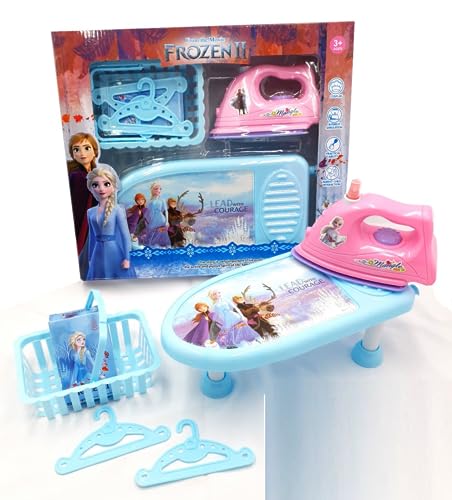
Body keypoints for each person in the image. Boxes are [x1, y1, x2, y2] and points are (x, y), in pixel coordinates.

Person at [86, 165, 136, 279]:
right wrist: (90, 258)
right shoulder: (90, 212)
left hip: (113, 252)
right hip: (97, 253)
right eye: (95, 185)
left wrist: (127, 258)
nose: (101, 189)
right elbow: (92, 237)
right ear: (91, 188)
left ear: (113, 187)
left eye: (106, 184)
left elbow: (125, 236)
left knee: (116, 279)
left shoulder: (117, 210)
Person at [67, 133, 99, 255]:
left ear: (94, 152)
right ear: (73, 154)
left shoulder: (93, 173)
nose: (82, 153)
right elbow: (79, 211)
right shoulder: (78, 176)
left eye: (86, 148)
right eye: (76, 149)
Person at [146, 182, 171, 247]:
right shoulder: (150, 201)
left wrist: (167, 221)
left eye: (160, 189)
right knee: (152, 234)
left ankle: (162, 247)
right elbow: (148, 212)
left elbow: (166, 211)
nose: (158, 190)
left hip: (161, 219)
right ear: (152, 190)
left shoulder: (162, 200)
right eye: (156, 189)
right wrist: (148, 220)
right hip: (153, 219)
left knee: (162, 234)